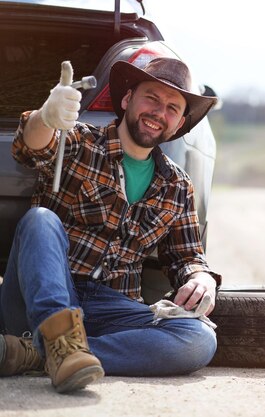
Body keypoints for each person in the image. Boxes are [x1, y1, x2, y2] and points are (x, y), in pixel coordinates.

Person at [0, 57, 221, 393]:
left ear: (178, 124)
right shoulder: (81, 141)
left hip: (110, 310)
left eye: (172, 107)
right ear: (127, 99)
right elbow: (31, 147)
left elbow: (187, 256)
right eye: (152, 98)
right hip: (44, 294)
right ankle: (55, 341)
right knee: (40, 220)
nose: (159, 112)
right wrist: (46, 118)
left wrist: (200, 277)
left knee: (199, 339)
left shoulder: (178, 186)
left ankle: (40, 355)